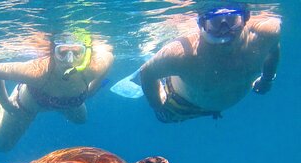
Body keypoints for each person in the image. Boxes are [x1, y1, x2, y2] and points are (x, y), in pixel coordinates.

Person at [112, 6, 280, 123]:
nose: (224, 30)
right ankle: (151, 57)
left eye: (231, 20)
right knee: (162, 119)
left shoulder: (266, 34)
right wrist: (157, 104)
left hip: (215, 99)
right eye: (215, 23)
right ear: (201, 24)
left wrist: (267, 78)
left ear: (246, 17)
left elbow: (273, 48)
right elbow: (148, 72)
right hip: (182, 104)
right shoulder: (181, 54)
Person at [0, 31, 114, 151]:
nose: (70, 60)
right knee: (2, 145)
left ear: (85, 54)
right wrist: (6, 105)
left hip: (70, 103)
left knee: (81, 120)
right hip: (29, 105)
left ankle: (59, 108)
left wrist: (92, 89)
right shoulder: (37, 72)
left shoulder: (93, 67)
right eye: (62, 53)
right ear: (53, 53)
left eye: (77, 52)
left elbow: (109, 57)